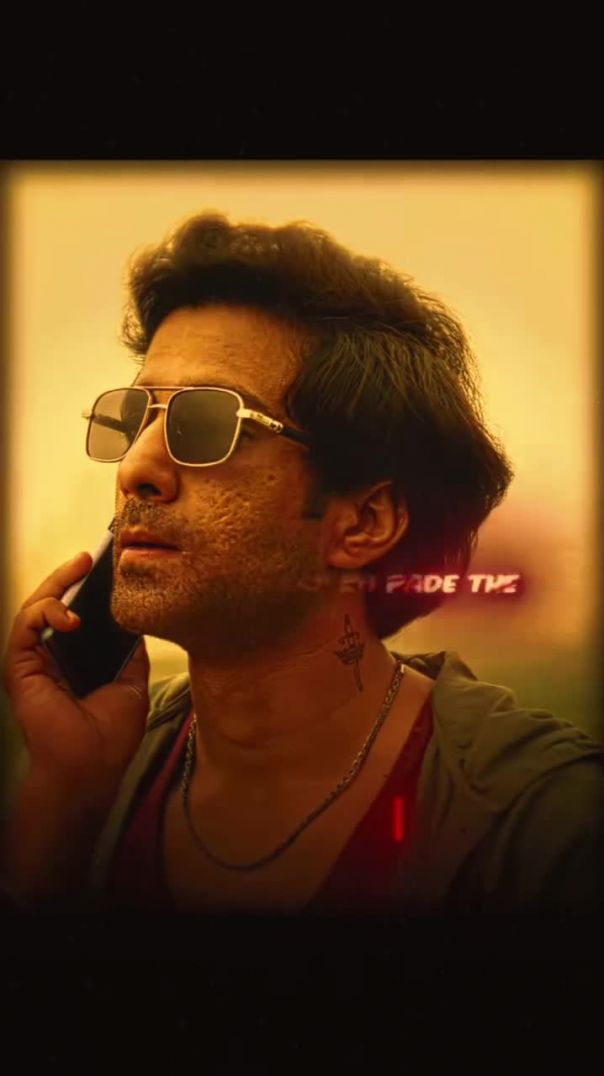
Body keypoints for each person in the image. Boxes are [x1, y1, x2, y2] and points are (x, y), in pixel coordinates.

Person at [2, 212, 602, 917]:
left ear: (365, 522)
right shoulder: (96, 769)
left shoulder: (546, 827)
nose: (135, 466)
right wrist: (65, 799)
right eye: (137, 417)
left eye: (209, 424)